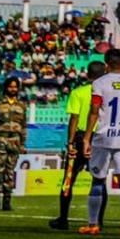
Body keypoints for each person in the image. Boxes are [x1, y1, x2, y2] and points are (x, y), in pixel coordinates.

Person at [80, 48, 120, 236]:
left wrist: (86, 137)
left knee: (98, 180)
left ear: (106, 64)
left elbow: (94, 110)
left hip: (104, 136)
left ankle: (93, 224)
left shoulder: (99, 83)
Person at [50, 59, 106, 230]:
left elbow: (74, 118)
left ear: (88, 75)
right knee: (99, 180)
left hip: (81, 136)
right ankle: (98, 220)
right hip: (100, 137)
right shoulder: (106, 92)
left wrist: (70, 142)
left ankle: (63, 218)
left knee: (69, 179)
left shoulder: (78, 92)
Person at [0, 77, 28, 211]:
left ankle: (7, 201)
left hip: (15, 141)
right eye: (10, 87)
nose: (13, 89)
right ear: (6, 88)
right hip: (0, 139)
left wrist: (22, 144)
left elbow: (23, 126)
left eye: (15, 87)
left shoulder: (21, 105)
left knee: (10, 172)